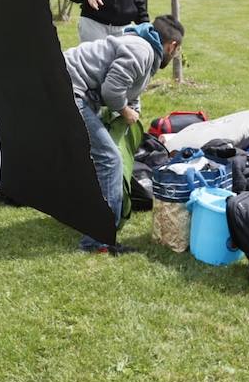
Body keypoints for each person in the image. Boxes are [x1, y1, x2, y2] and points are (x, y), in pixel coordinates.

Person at [63, 15, 184, 254]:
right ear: (173, 46)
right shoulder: (142, 51)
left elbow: (130, 87)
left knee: (92, 157)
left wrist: (133, 111)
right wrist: (125, 111)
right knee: (109, 160)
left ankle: (83, 218)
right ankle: (97, 241)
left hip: (70, 88)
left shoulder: (145, 49)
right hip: (68, 90)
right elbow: (112, 90)